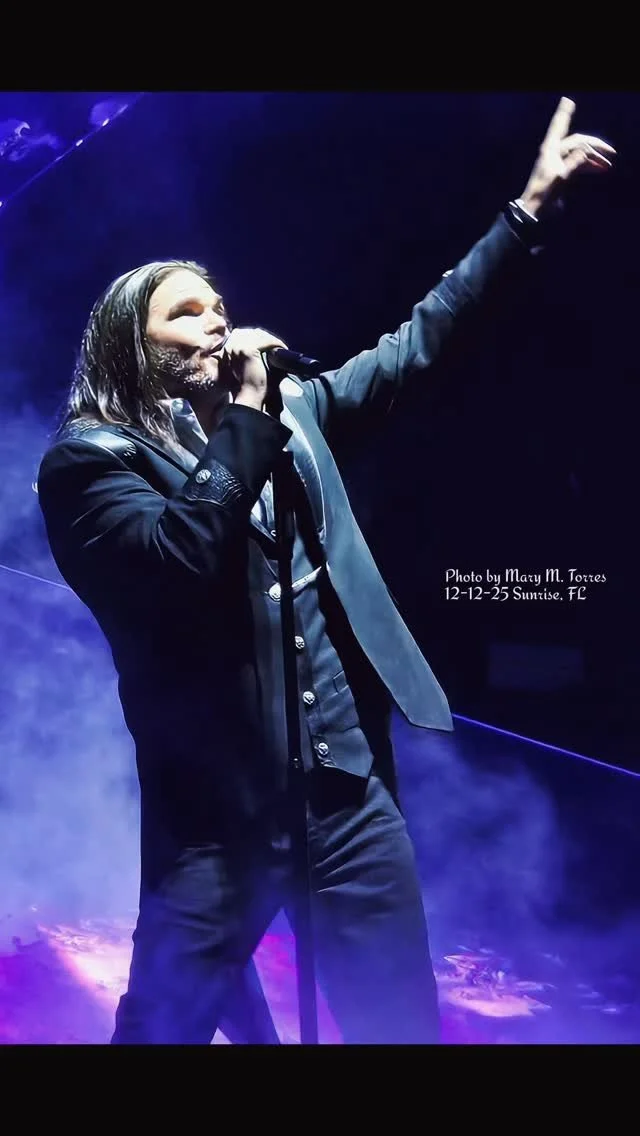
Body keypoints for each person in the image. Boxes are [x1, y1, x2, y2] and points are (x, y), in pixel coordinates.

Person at [36, 97, 614, 1045]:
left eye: (220, 307)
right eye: (187, 312)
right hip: (213, 828)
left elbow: (419, 344)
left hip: (349, 804)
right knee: (159, 1036)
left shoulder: (292, 410)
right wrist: (246, 417)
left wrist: (526, 212)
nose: (218, 323)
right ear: (131, 347)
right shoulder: (93, 463)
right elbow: (180, 561)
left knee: (398, 1032)